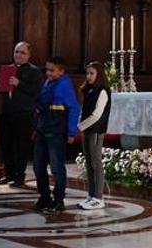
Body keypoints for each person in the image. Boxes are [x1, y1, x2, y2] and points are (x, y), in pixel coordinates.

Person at [32, 56, 80, 214]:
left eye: (52, 70)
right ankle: (44, 197)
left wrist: (72, 131)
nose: (48, 73)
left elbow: (74, 108)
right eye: (47, 69)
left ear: (61, 71)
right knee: (38, 166)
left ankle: (59, 200)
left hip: (57, 129)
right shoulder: (48, 82)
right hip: (42, 128)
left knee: (57, 167)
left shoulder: (65, 85)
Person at [0, 41, 42, 186]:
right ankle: (9, 174)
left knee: (22, 146)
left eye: (22, 52)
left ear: (29, 55)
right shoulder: (7, 69)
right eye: (16, 52)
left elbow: (36, 92)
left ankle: (19, 176)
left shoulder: (34, 71)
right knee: (6, 145)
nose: (19, 55)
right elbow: (5, 89)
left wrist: (19, 83)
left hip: (24, 114)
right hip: (7, 112)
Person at [77, 61, 111, 210]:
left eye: (92, 73)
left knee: (96, 164)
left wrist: (81, 126)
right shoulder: (89, 90)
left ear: (99, 75)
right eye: (87, 73)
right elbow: (84, 110)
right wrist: (80, 124)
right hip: (87, 130)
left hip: (96, 130)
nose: (89, 76)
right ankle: (91, 195)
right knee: (89, 163)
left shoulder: (102, 91)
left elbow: (97, 114)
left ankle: (99, 197)